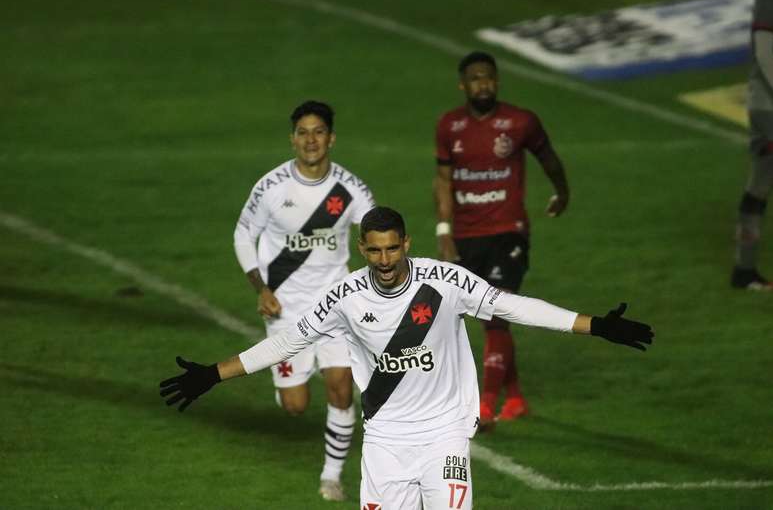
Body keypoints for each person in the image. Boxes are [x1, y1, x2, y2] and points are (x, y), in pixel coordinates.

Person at [161, 206, 653, 510]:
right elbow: (288, 342)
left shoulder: (445, 281)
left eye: (392, 249)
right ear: (362, 249)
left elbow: (511, 306)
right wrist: (214, 374)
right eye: (374, 251)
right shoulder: (345, 296)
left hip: (443, 436)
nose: (385, 261)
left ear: (406, 244)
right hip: (385, 443)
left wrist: (595, 325)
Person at [232, 100, 375, 501]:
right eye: (302, 132)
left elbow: (377, 231)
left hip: (336, 303)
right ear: (292, 139)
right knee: (296, 405)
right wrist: (261, 289)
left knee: (342, 387)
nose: (310, 140)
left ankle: (331, 477)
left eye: (318, 132)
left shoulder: (351, 189)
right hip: (286, 306)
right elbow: (243, 236)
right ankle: (288, 384)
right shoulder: (271, 187)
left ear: (331, 138)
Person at [433, 50, 572, 428]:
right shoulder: (449, 126)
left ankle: (485, 405)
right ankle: (515, 397)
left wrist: (562, 192)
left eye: (489, 77)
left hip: (508, 231)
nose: (484, 84)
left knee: (496, 313)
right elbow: (443, 180)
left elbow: (549, 158)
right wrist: (444, 231)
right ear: (463, 85)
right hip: (464, 237)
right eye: (475, 78)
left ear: (497, 81)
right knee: (473, 316)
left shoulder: (520, 121)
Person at [732, 0, 773, 291]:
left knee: (760, 183)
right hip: (769, 103)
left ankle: (744, 271)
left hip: (765, 101)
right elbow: (764, 49)